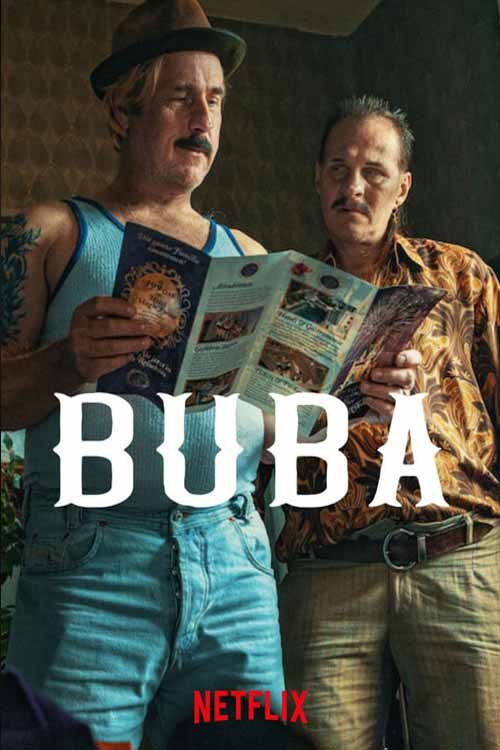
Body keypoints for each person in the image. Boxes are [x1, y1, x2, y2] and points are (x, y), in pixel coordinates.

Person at [1, 1, 284, 748]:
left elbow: (277, 427)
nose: (203, 117)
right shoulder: (47, 233)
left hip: (237, 566)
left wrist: (345, 396)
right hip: (89, 567)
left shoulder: (252, 256)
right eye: (179, 95)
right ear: (122, 111)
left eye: (215, 98)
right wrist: (64, 362)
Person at [271, 96, 500, 750]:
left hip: (459, 559)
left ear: (402, 187)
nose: (353, 187)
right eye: (338, 169)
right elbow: (257, 449)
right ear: (317, 178)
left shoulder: (459, 274)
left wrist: (427, 409)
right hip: (328, 573)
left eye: (373, 172)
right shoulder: (283, 296)